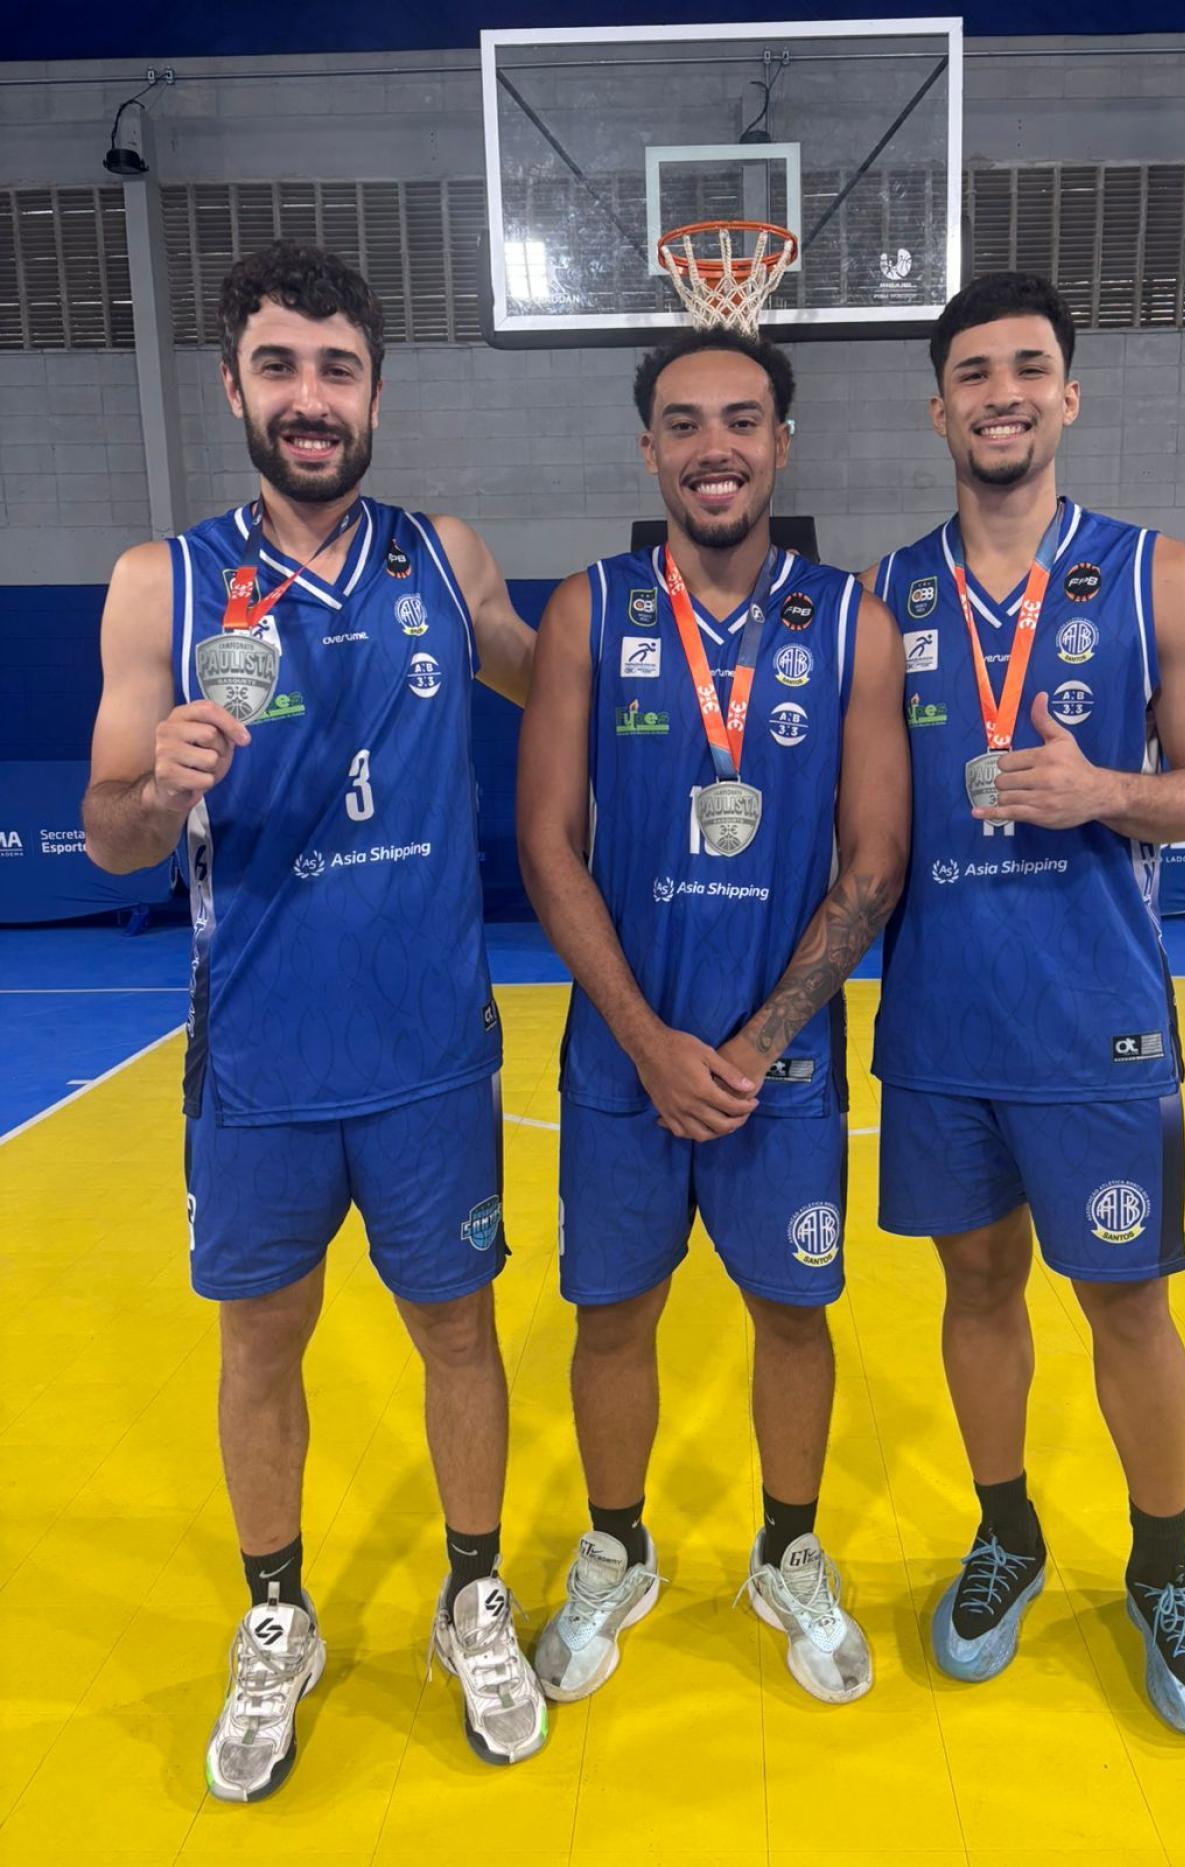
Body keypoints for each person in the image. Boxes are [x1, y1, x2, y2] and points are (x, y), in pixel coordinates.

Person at [83, 241, 547, 1796]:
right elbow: (106, 833)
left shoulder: (444, 557)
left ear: (373, 391)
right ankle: (277, 1616)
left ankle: (473, 1590)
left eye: (336, 370)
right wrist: (163, 783)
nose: (309, 399)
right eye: (279, 367)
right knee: (262, 1343)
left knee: (457, 1329)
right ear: (234, 385)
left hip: (430, 1057)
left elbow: (557, 701)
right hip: (265, 1059)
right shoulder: (166, 581)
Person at [865, 271, 1185, 1739]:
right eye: (973, 372)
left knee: (1128, 1303)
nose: (1002, 392)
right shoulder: (888, 595)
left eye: (1028, 367)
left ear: (1068, 394)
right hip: (946, 1025)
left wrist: (1106, 794)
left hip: (1099, 1021)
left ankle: (1162, 1567)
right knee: (976, 1290)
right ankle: (1009, 1529)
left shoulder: (1163, 575)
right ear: (942, 407)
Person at [517, 329, 908, 1707]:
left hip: (779, 1069)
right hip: (625, 1059)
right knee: (611, 1316)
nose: (715, 446)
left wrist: (750, 1046)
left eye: (742, 419)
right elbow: (548, 847)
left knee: (791, 1316)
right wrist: (645, 1037)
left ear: (782, 441)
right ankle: (618, 1548)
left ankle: (788, 1551)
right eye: (684, 423)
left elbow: (873, 864)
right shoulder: (589, 611)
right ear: (649, 452)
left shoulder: (854, 619)